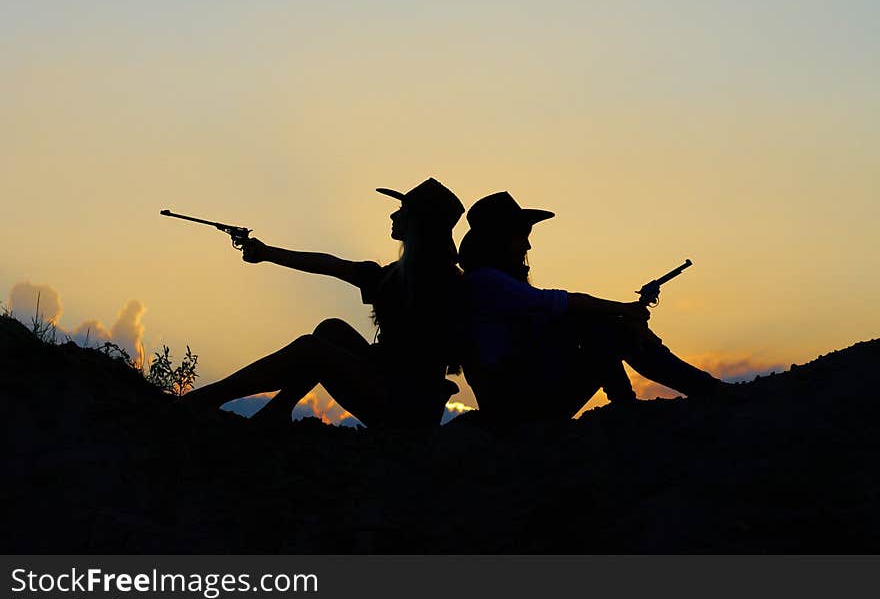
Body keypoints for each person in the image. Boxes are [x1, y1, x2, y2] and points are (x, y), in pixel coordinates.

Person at [182, 178, 465, 429]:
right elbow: (331, 265)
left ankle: (209, 397)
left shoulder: (439, 281)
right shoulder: (398, 275)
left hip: (408, 409)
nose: (394, 215)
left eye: (403, 211)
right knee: (331, 330)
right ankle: (277, 410)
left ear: (418, 223)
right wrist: (268, 253)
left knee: (312, 349)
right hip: (390, 388)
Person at [457, 191, 727, 422]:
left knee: (599, 325)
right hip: (516, 406)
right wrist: (626, 311)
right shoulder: (486, 282)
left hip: (522, 396)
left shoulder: (489, 284)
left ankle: (640, 400)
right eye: (520, 237)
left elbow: (564, 315)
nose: (527, 245)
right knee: (603, 327)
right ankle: (679, 394)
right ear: (499, 240)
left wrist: (623, 319)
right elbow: (566, 302)